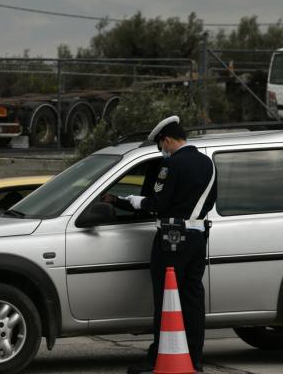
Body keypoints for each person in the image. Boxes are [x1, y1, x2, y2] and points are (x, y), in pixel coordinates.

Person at [114, 116, 217, 374]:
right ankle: (195, 358)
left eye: (162, 146)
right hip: (198, 237)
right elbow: (211, 201)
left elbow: (157, 204)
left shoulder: (171, 165)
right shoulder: (207, 163)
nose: (163, 151)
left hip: (171, 238)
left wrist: (130, 201)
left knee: (167, 298)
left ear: (168, 140)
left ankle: (157, 359)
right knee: (193, 299)